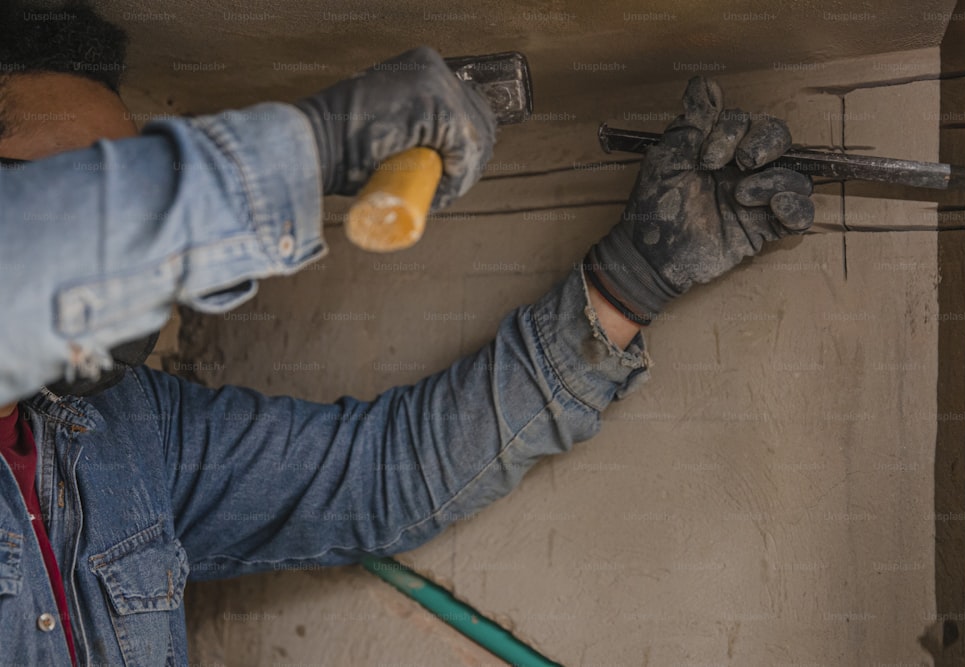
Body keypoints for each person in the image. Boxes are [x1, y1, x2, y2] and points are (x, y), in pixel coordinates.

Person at [0, 4, 814, 665]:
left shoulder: (131, 431)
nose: (137, 230)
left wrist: (628, 283)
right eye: (93, 195)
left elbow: (376, 476)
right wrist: (310, 145)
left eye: (141, 178)